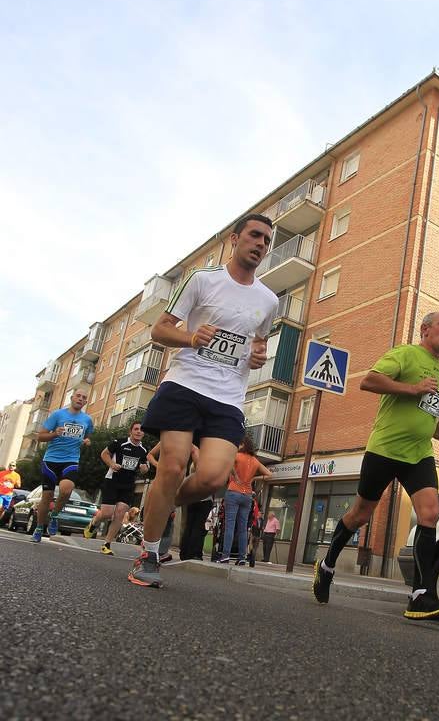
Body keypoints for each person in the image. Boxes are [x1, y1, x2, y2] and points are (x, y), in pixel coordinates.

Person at [129, 214, 278, 588]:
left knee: (212, 478)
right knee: (174, 466)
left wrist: (258, 355)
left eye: (267, 240)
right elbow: (160, 329)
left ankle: (159, 508)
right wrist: (192, 337)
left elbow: (258, 341)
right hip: (185, 384)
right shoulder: (203, 280)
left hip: (228, 397)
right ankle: (148, 554)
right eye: (255, 235)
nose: (260, 244)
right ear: (235, 239)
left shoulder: (268, 300)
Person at [312, 312, 439, 621]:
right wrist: (413, 388)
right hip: (385, 448)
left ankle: (420, 595)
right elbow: (369, 381)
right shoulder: (405, 354)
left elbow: (425, 410)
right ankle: (327, 566)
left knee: (430, 514)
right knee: (360, 514)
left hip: (419, 453)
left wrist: (436, 428)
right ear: (425, 329)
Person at [33, 389, 93, 542]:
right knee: (46, 497)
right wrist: (54, 434)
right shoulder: (57, 415)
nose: (80, 399)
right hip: (51, 460)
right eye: (78, 396)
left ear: (86, 402)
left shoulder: (87, 420)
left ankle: (54, 515)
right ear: (72, 398)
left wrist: (87, 442)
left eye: (84, 397)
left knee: (66, 490)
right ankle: (39, 527)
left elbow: (87, 437)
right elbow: (40, 436)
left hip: (71, 460)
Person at [83, 421, 148, 555]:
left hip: (128, 484)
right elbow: (104, 454)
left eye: (141, 430)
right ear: (131, 431)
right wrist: (112, 464)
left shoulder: (143, 450)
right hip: (112, 480)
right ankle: (93, 523)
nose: (139, 432)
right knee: (107, 513)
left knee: (120, 513)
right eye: (136, 429)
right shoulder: (119, 442)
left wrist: (144, 468)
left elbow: (144, 468)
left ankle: (107, 544)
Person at [219, 436, 272, 565]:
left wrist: (235, 475)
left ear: (242, 445)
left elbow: (228, 462)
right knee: (243, 528)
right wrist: (253, 479)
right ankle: (242, 557)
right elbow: (269, 475)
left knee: (230, 525)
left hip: (234, 491)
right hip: (247, 495)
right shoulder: (255, 461)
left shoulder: (237, 456)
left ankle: (225, 555)